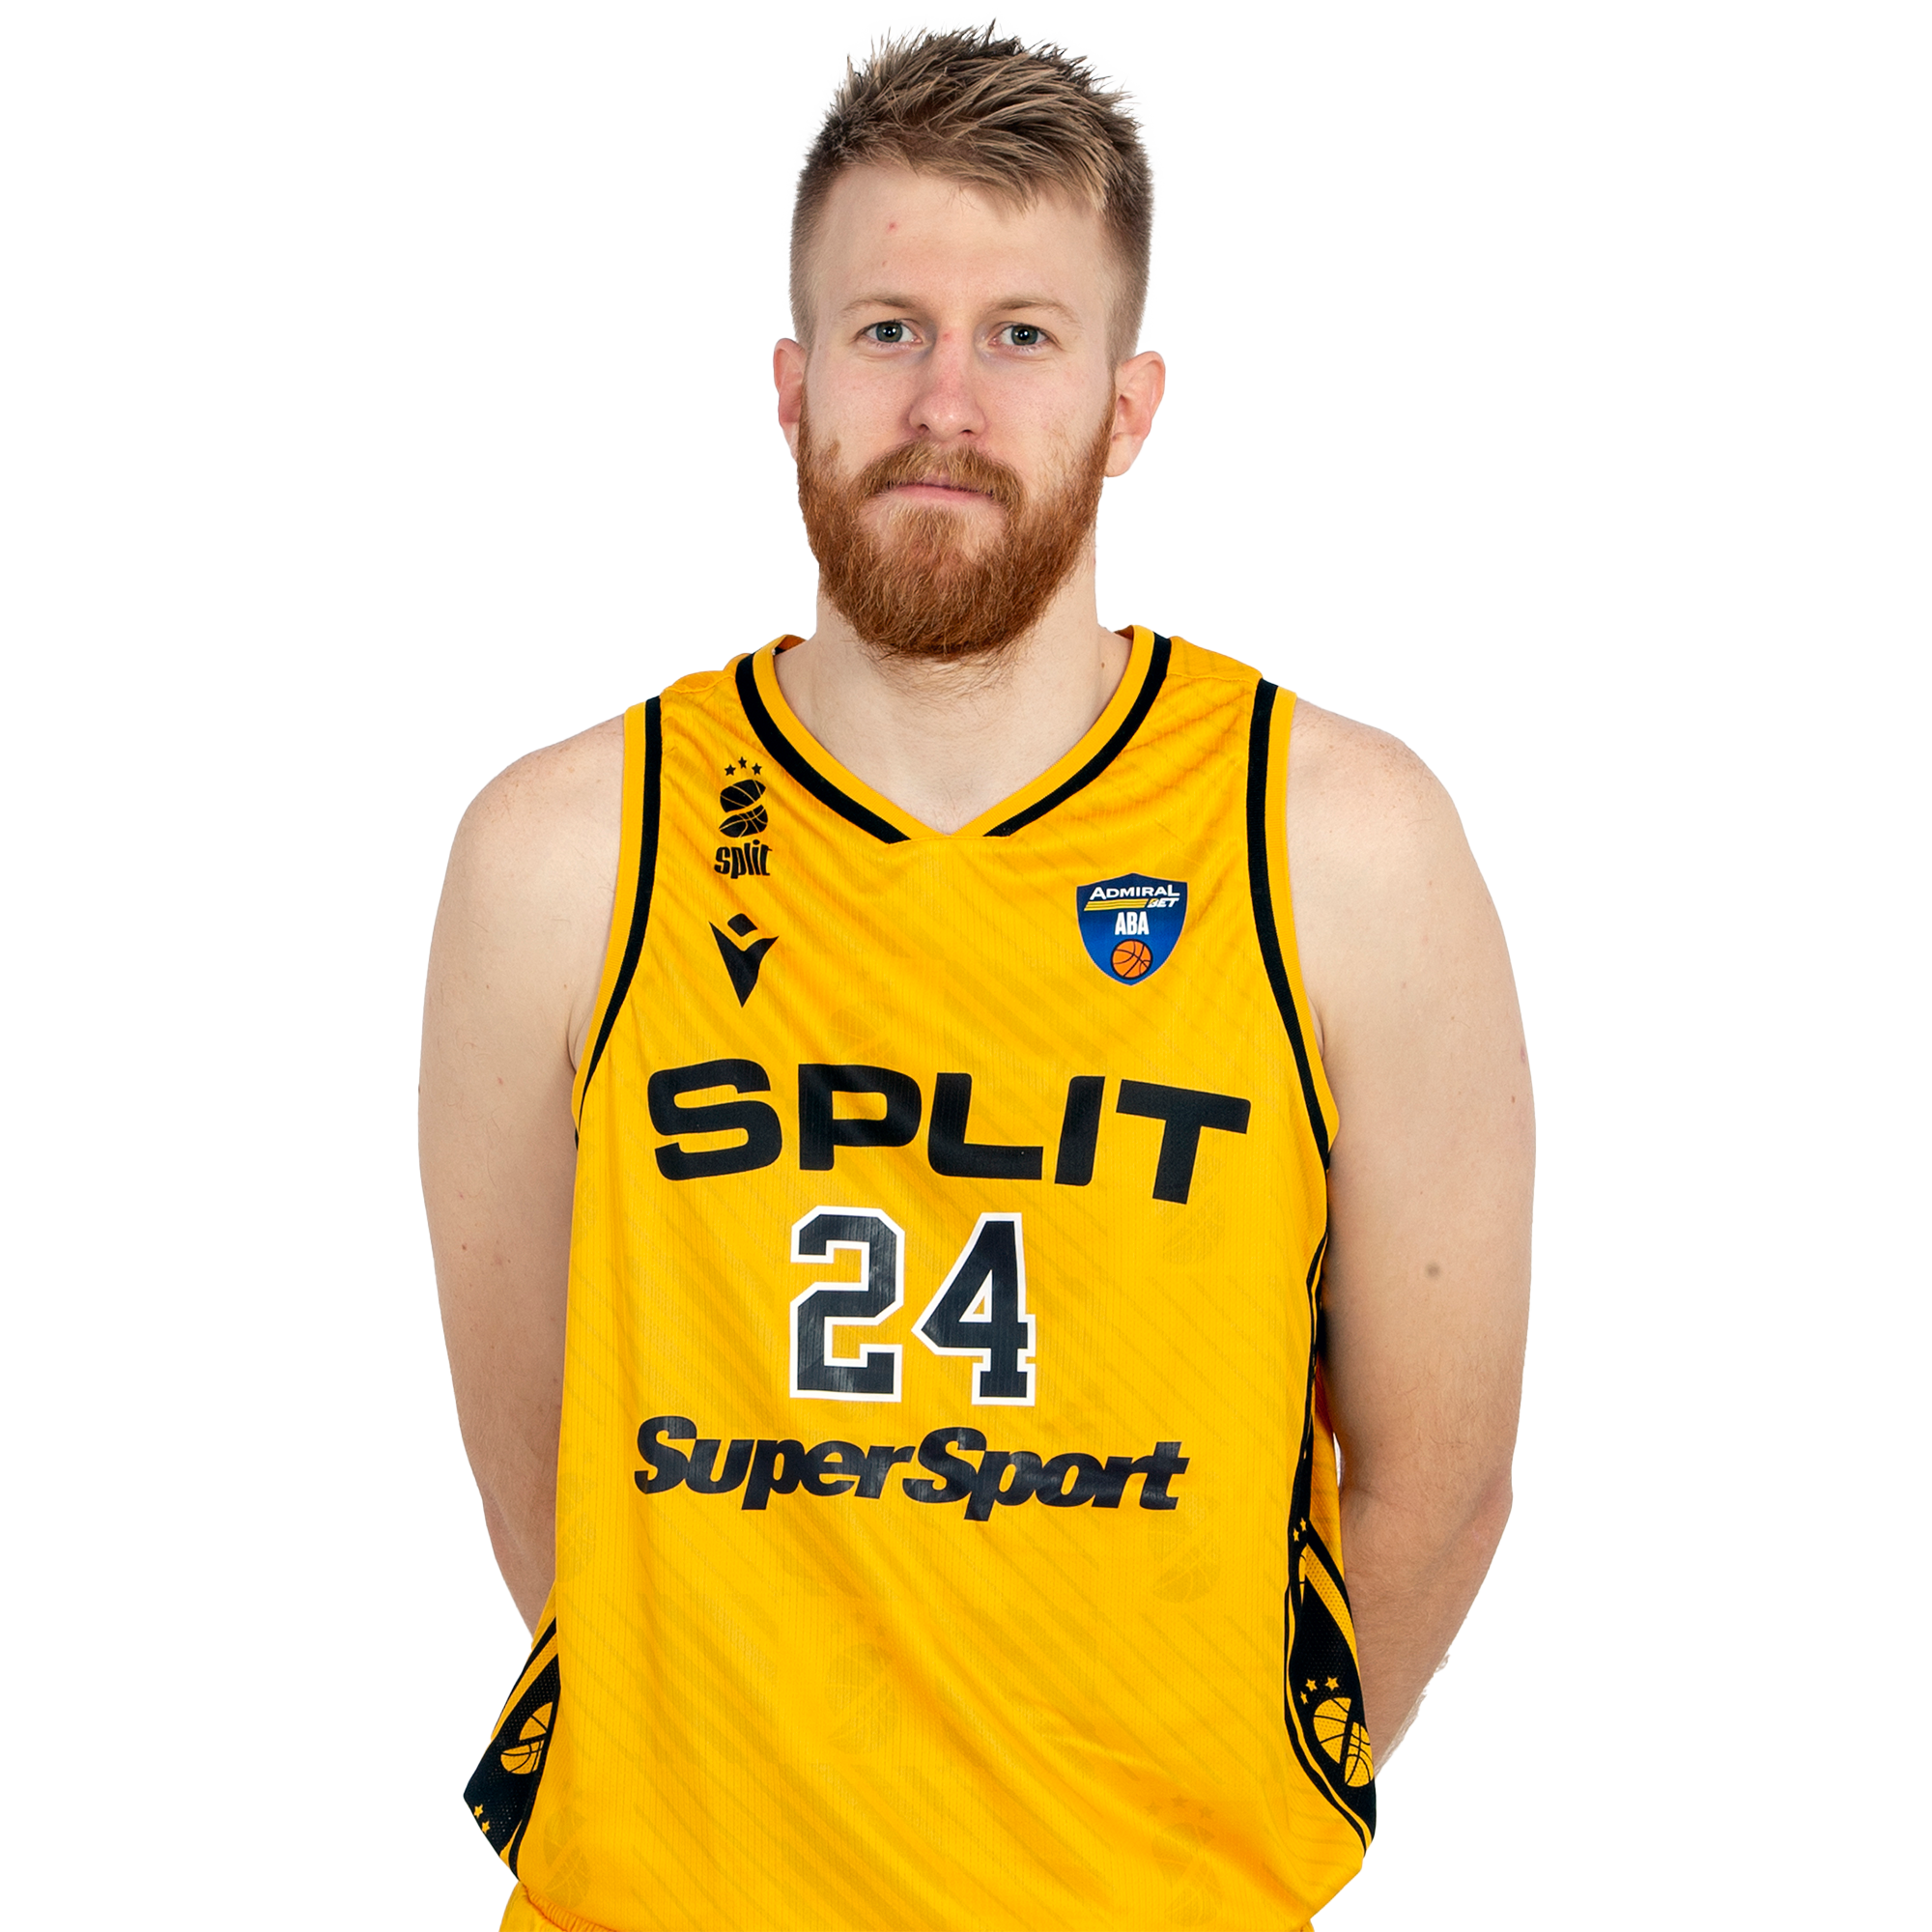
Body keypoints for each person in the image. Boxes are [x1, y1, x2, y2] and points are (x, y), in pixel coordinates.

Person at [420, 21, 1532, 1931]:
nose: (946, 400)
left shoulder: (1340, 845)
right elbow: (551, 1478)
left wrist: (1195, 1842)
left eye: (1022, 333)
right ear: (793, 389)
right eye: (887, 330)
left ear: (1126, 403)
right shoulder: (563, 855)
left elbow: (1439, 1480)